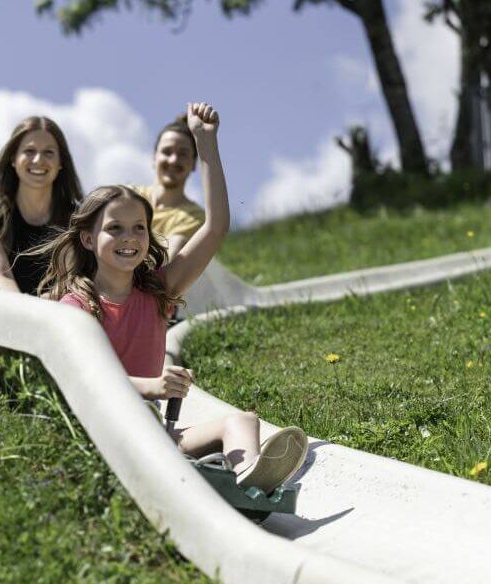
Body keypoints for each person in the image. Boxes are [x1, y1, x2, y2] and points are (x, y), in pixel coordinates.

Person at [35, 103, 307, 493]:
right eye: (115, 229)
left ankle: (249, 481)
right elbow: (89, 379)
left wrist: (207, 142)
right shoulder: (76, 306)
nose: (129, 238)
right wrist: (154, 386)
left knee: (242, 421)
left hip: (155, 434)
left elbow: (215, 228)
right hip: (100, 435)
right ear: (89, 239)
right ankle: (224, 477)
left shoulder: (158, 292)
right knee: (168, 437)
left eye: (139, 228)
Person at [0, 116, 84, 295]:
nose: (38, 160)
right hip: (10, 313)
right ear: (13, 159)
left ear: (61, 162)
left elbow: (70, 284)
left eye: (49, 152)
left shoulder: (79, 218)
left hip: (61, 314)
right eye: (29, 151)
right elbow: (0, 277)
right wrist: (29, 316)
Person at [130, 114, 205, 262]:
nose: (173, 160)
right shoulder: (129, 196)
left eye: (183, 154)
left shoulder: (195, 216)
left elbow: (167, 260)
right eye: (167, 152)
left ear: (194, 163)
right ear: (154, 157)